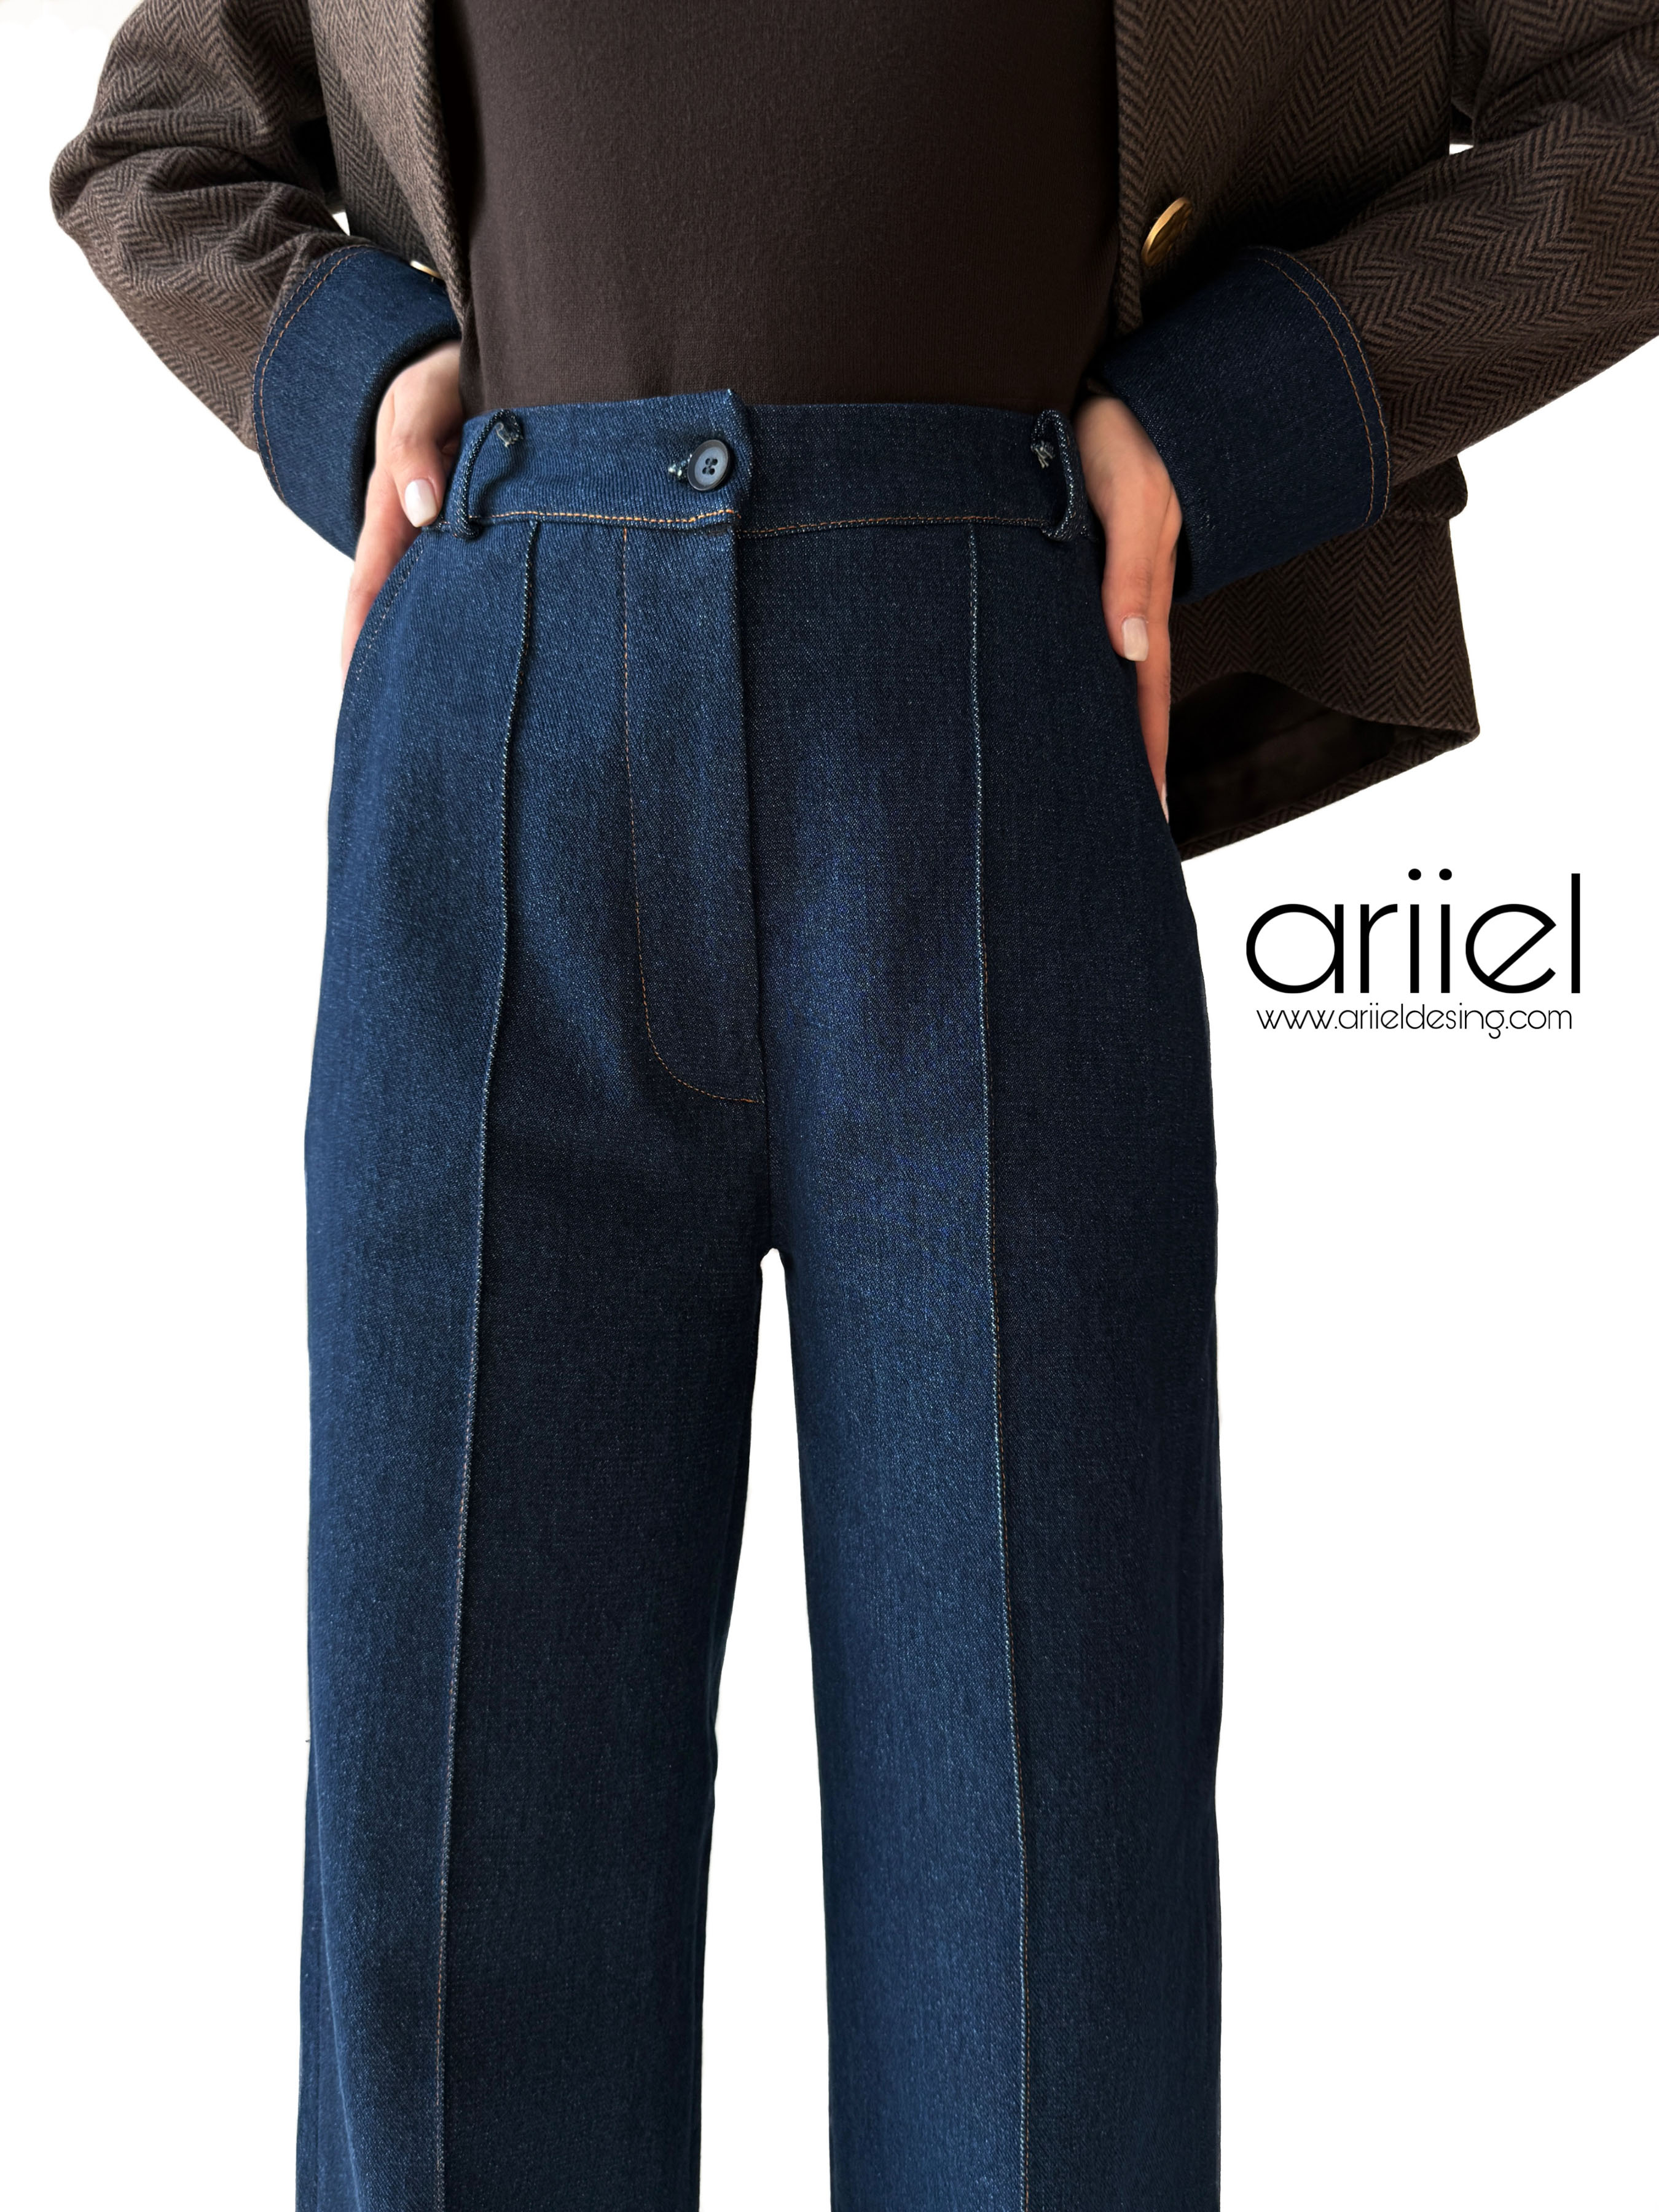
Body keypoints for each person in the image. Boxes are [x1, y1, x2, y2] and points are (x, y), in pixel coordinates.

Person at [51, 5, 1659, 2208]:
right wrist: (349, 370)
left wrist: (1240, 417)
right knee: (451, 1822)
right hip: (503, 700)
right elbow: (163, 142)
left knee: (1039, 1845)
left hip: (991, 670)